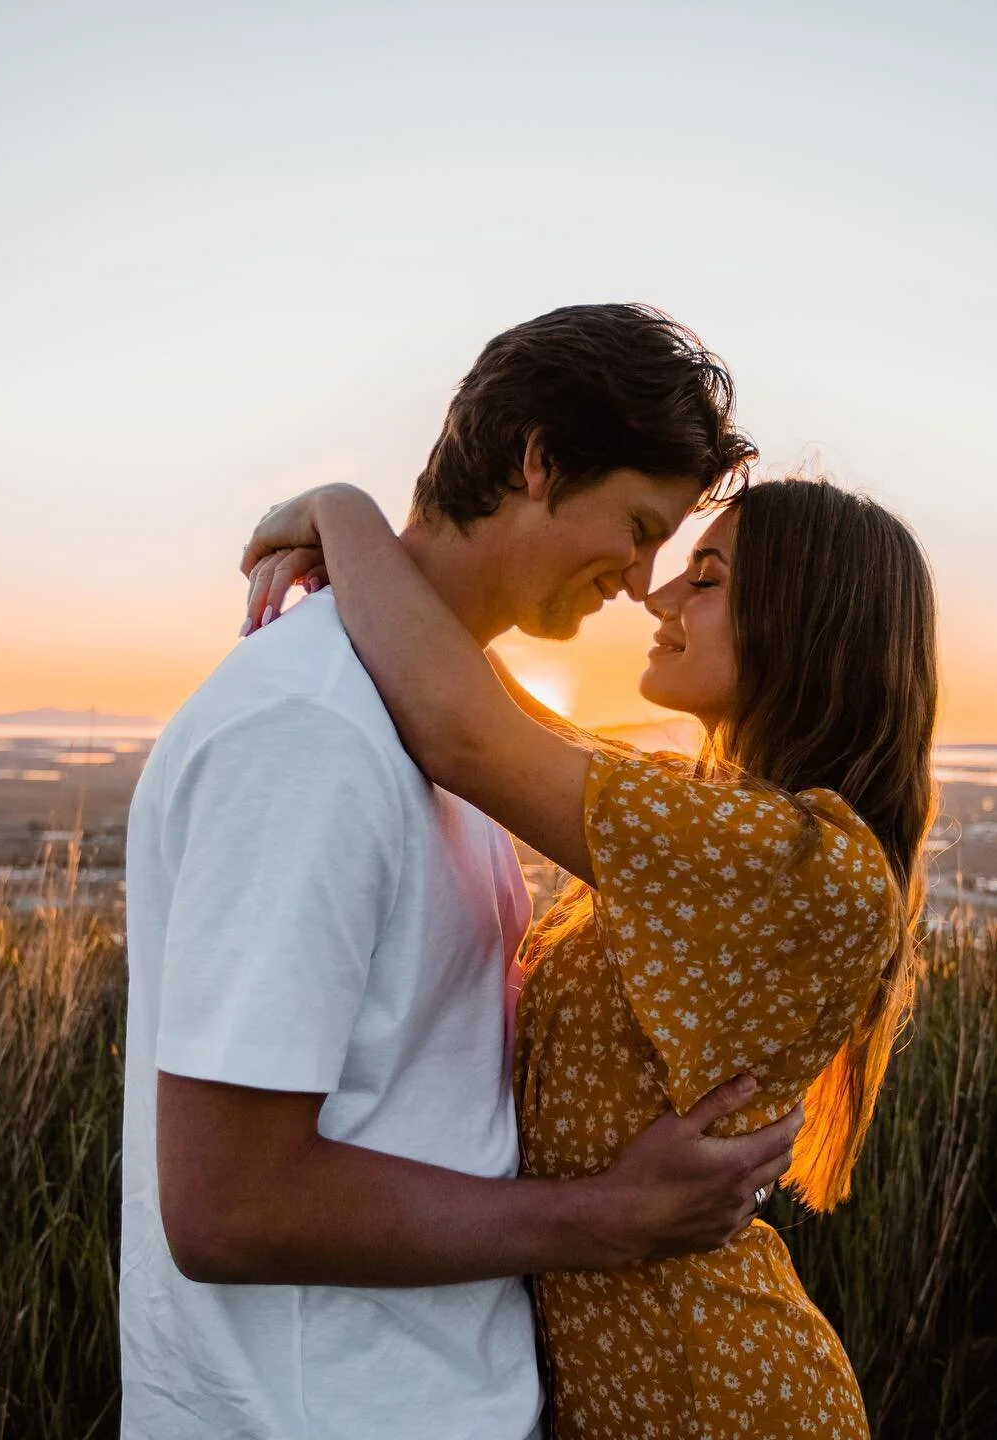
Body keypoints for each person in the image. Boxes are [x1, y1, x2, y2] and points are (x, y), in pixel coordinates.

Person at [119, 303, 805, 1440]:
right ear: (539, 460)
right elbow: (228, 1207)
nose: (642, 582)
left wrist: (345, 518)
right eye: (637, 526)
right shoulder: (313, 733)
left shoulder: (438, 724)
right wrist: (606, 1218)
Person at [238, 469, 939, 1438]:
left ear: (806, 617)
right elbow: (506, 713)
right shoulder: (716, 821)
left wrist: (340, 510)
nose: (656, 594)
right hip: (638, 1380)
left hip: (715, 1394)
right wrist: (377, 571)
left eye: (704, 574)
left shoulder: (789, 853)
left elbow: (467, 734)